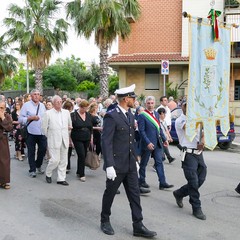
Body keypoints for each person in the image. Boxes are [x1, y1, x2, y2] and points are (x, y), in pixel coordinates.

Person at [100, 84, 157, 238]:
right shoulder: (112, 115)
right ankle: (104, 220)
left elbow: (130, 140)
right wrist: (109, 165)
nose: (135, 100)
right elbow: (106, 142)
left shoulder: (130, 115)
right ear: (126, 99)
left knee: (135, 196)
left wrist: (136, 160)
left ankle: (138, 225)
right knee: (110, 193)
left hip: (130, 163)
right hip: (117, 165)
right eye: (133, 97)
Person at [174, 101, 207, 220]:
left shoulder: (197, 119)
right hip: (188, 154)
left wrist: (202, 142)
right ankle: (196, 208)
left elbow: (202, 134)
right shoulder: (180, 120)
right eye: (186, 106)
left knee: (201, 179)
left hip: (198, 153)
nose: (188, 108)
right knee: (193, 182)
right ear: (182, 107)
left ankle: (179, 193)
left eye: (191, 106)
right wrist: (199, 118)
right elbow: (188, 128)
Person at [138, 96, 173, 190]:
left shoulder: (157, 114)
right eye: (148, 103)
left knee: (159, 162)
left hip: (157, 143)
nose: (150, 105)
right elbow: (142, 131)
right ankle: (141, 181)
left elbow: (159, 128)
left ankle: (162, 182)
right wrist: (148, 142)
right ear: (146, 104)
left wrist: (164, 139)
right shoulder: (142, 115)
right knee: (143, 163)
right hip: (147, 144)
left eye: (152, 103)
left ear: (154, 103)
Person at [42, 95, 72, 186]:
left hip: (64, 139)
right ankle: (48, 173)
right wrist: (50, 136)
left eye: (60, 101)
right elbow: (44, 128)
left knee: (64, 160)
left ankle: (61, 178)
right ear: (53, 103)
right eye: (57, 102)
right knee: (55, 160)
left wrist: (68, 132)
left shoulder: (66, 112)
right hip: (53, 139)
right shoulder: (48, 113)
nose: (59, 103)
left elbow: (69, 125)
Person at [19, 89, 47, 178]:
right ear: (31, 96)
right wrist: (30, 118)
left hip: (41, 132)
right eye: (35, 94)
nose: (36, 96)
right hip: (30, 132)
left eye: (38, 94)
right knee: (31, 151)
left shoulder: (42, 106)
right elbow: (20, 119)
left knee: (42, 149)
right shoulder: (26, 106)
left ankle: (38, 165)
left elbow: (45, 118)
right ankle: (32, 170)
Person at [71, 100, 93, 182]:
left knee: (84, 154)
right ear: (80, 107)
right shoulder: (73, 115)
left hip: (86, 137)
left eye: (86, 108)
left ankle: (79, 171)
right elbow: (70, 127)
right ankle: (82, 174)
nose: (85, 110)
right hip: (77, 137)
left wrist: (91, 137)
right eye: (84, 108)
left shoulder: (88, 115)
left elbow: (90, 127)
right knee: (81, 154)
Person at [0, 100, 13, 189]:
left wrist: (3, 118)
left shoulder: (7, 116)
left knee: (4, 160)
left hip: (2, 141)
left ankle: (4, 181)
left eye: (1, 108)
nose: (0, 109)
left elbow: (9, 128)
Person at [62, 100, 74, 173]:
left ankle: (66, 166)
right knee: (67, 152)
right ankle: (67, 166)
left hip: (67, 134)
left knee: (65, 152)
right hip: (68, 134)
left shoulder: (63, 114)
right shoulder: (71, 115)